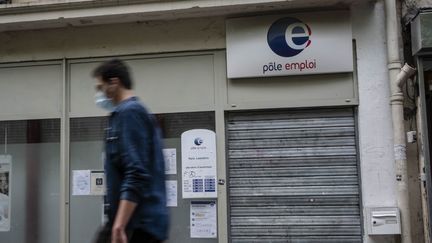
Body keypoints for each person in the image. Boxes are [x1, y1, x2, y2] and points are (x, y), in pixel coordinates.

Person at [92, 59, 169, 243]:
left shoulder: (130, 113)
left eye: (100, 87)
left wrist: (119, 224)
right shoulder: (126, 113)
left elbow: (136, 172)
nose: (99, 94)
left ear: (114, 82)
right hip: (136, 221)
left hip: (137, 223)